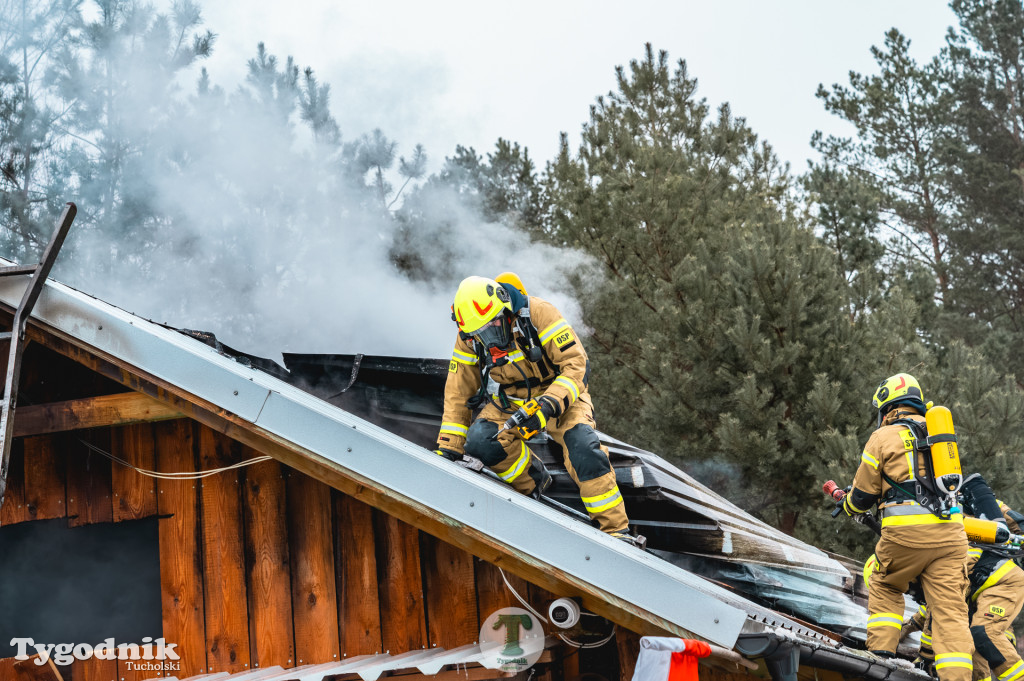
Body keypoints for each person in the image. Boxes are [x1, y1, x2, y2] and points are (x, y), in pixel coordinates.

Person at [433, 274, 633, 542]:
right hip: (512, 399)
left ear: (505, 309)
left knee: (583, 448)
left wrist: (548, 405)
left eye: (493, 326)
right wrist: (448, 447)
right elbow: (459, 391)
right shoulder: (468, 337)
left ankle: (616, 530)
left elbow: (576, 366)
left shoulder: (539, 313)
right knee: (481, 440)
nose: (489, 338)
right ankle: (533, 481)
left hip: (560, 394)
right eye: (480, 333)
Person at [842, 373, 973, 681]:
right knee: (950, 613)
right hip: (952, 538)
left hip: (905, 536)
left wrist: (848, 505)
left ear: (888, 408)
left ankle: (880, 663)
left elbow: (862, 496)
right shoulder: (942, 437)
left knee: (885, 584)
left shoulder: (883, 436)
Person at [901, 480, 1024, 681]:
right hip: (982, 590)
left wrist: (924, 656)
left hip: (1002, 584)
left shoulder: (937, 565)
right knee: (972, 644)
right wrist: (906, 628)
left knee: (984, 633)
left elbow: (938, 609)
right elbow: (929, 609)